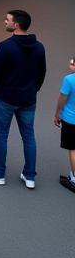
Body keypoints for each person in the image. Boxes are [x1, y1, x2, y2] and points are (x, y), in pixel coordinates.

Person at [0, 9, 46, 188]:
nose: (5, 22)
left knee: (1, 134)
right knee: (29, 136)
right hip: (28, 99)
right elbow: (41, 73)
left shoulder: (5, 46)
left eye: (7, 20)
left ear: (16, 24)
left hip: (5, 98)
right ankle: (30, 176)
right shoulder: (39, 47)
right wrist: (33, 90)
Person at [54, 56, 75, 193]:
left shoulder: (69, 80)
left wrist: (57, 114)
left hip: (71, 119)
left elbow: (62, 99)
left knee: (73, 149)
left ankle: (74, 179)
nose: (71, 62)